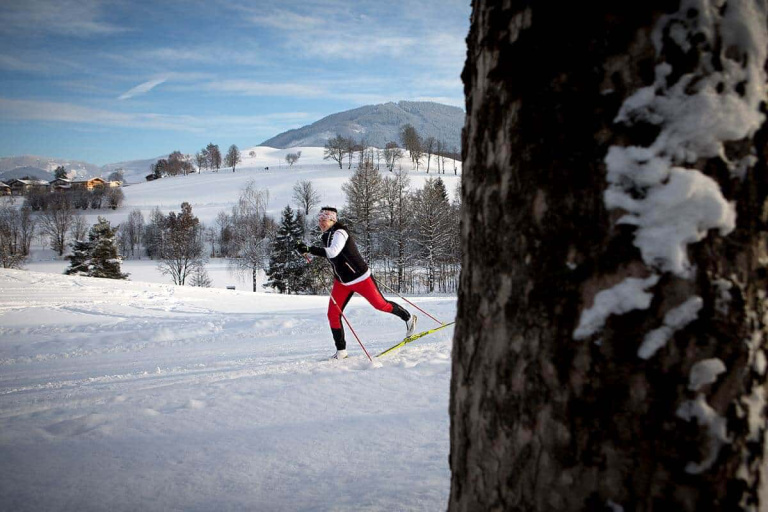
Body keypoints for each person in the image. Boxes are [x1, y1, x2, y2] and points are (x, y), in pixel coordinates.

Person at [297, 207, 417, 359]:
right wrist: (304, 251)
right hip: (342, 282)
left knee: (381, 305)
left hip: (360, 278)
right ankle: (341, 351)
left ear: (333, 220)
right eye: (319, 220)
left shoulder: (340, 232)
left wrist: (310, 249)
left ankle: (408, 318)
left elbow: (334, 251)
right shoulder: (325, 236)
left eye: (324, 220)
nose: (321, 223)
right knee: (332, 314)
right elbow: (331, 257)